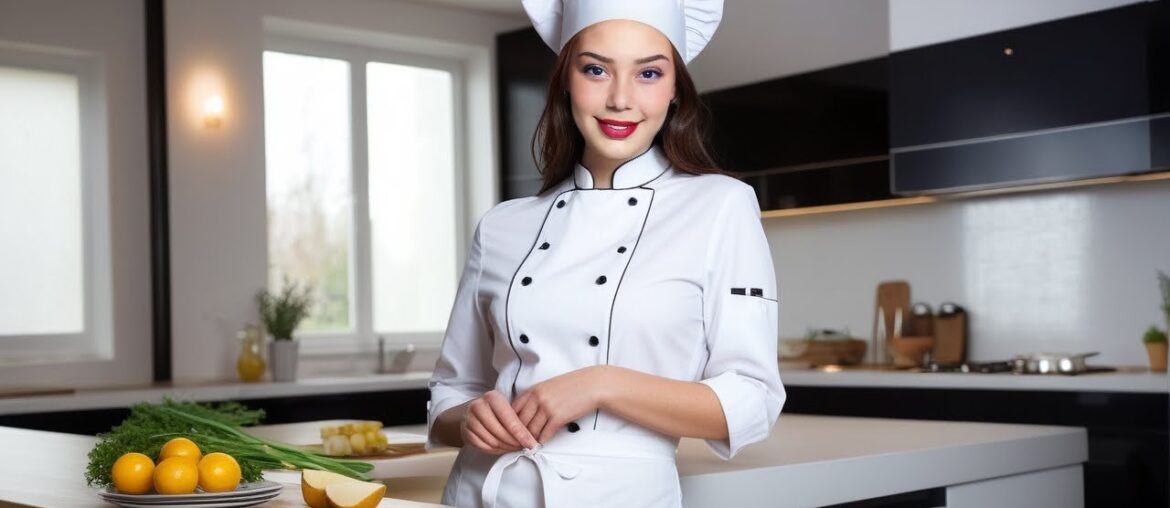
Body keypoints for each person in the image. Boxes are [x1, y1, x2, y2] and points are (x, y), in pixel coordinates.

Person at [426, 1, 785, 506]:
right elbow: (450, 391)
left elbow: (752, 399)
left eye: (649, 73)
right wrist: (468, 419)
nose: (621, 99)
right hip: (482, 490)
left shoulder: (721, 206)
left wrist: (602, 384)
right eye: (596, 69)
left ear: (675, 89)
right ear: (565, 80)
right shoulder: (503, 225)